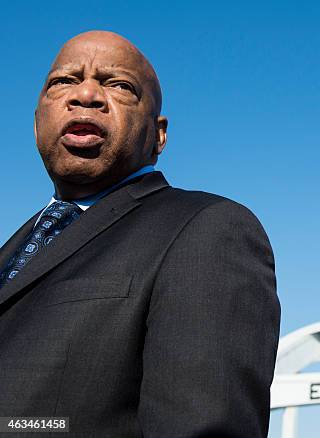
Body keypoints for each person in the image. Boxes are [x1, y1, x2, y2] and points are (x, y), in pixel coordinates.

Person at [0, 30, 280, 437]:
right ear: (37, 118)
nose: (86, 95)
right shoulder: (17, 250)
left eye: (119, 85)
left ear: (158, 134)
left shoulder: (207, 229)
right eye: (64, 81)